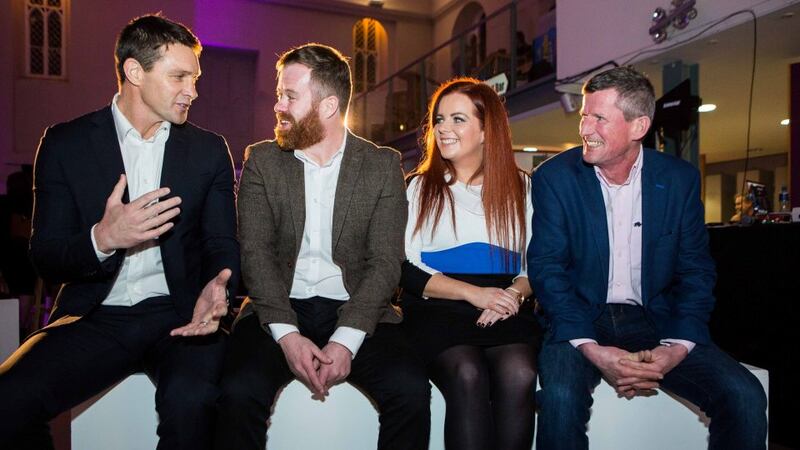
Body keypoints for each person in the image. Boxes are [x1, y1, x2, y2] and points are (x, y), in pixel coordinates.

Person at [0, 14, 240, 450]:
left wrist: (219, 284)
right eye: (179, 77)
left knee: (193, 401)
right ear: (134, 72)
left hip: (179, 316)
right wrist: (103, 239)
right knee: (7, 401)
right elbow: (45, 255)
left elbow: (221, 242)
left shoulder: (208, 150)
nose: (193, 90)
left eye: (195, 78)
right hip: (95, 318)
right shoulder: (64, 143)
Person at [529, 66, 767, 450]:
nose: (585, 128)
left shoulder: (679, 179)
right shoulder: (554, 178)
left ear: (639, 126)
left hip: (654, 318)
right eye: (584, 115)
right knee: (558, 401)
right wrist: (592, 349)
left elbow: (696, 271)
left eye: (599, 118)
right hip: (577, 314)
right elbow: (547, 269)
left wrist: (677, 347)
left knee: (744, 395)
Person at [214, 43, 430, 450]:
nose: (278, 105)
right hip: (277, 305)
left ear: (328, 106)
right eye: (280, 94)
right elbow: (255, 253)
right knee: (238, 392)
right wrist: (287, 335)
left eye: (290, 96)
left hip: (357, 308)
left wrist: (346, 340)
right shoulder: (262, 161)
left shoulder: (381, 165)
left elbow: (385, 262)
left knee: (411, 390)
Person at [400, 77, 541, 450]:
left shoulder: (522, 187)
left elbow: (535, 263)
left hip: (505, 306)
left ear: (485, 130)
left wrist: (513, 294)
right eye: (440, 119)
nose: (443, 129)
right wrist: (474, 294)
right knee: (467, 374)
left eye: (457, 119)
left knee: (521, 373)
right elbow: (404, 268)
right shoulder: (418, 187)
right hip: (438, 309)